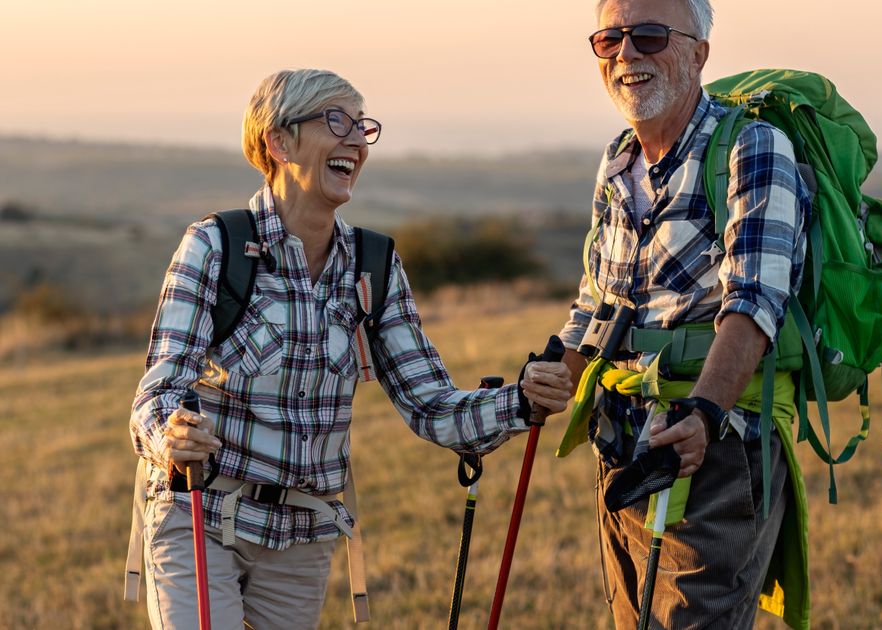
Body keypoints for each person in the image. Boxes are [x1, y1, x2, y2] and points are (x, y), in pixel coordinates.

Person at [128, 68, 573, 629]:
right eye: (336, 121)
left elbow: (432, 407)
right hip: (201, 513)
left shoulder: (374, 266)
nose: (357, 141)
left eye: (363, 127)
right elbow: (159, 389)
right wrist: (169, 432)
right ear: (279, 142)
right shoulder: (214, 246)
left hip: (301, 538)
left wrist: (524, 402)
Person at [555, 0, 812, 627]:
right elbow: (597, 301)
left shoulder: (752, 147)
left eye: (648, 37)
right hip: (621, 448)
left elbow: (754, 304)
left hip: (717, 450)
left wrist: (703, 412)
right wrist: (550, 369)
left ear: (699, 52)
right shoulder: (618, 159)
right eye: (609, 39)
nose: (626, 55)